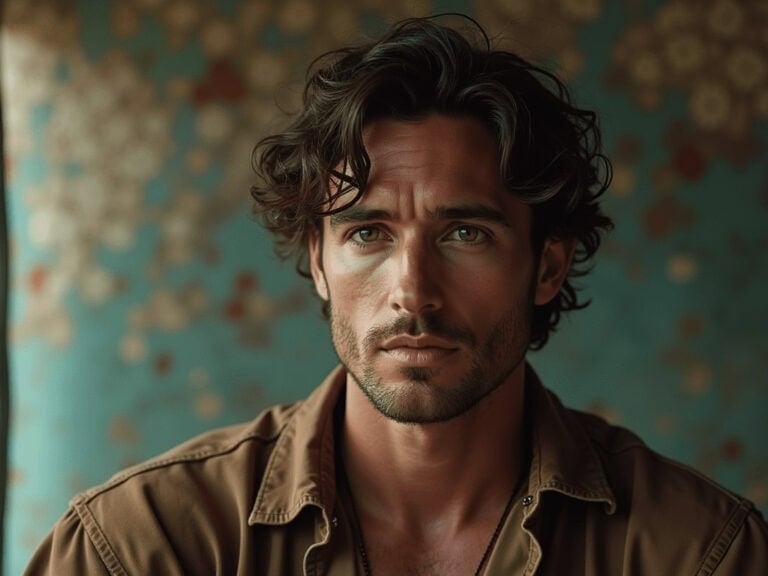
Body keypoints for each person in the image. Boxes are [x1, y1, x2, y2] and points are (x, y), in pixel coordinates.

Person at [26, 15, 767, 576]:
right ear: (317, 260)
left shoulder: (696, 553)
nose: (413, 292)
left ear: (547, 267)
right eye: (368, 234)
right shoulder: (144, 546)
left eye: (465, 235)